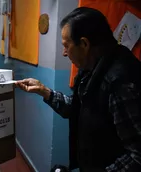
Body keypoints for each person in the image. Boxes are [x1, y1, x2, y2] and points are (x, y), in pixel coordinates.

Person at [16, 7, 141, 172]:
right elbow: (78, 109)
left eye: (66, 46)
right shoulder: (89, 69)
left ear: (84, 44)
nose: (64, 53)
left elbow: (137, 155)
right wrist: (44, 91)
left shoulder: (121, 82)